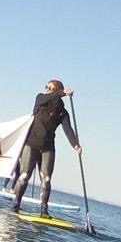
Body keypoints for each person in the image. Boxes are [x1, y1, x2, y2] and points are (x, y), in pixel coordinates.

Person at [11, 81, 81, 217]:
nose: (47, 90)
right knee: (24, 176)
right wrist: (62, 92)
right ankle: (16, 204)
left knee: (46, 178)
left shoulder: (62, 112)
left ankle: (44, 209)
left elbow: (68, 129)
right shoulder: (40, 100)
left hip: (48, 147)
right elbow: (45, 98)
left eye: (51, 88)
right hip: (31, 144)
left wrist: (75, 145)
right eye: (47, 87)